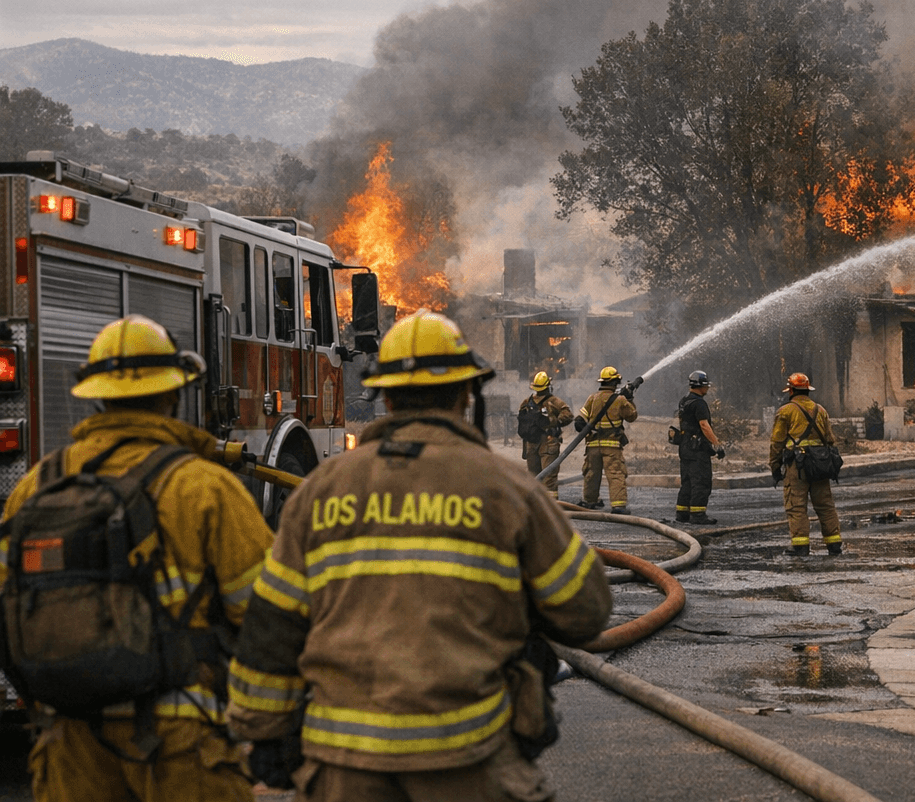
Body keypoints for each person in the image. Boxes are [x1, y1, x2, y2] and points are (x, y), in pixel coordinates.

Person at [225, 310, 612, 801]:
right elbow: (586, 610)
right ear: (464, 395)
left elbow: (271, 629)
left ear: (386, 396)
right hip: (469, 762)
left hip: (342, 769)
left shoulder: (320, 491)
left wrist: (263, 733)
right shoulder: (506, 488)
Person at [3, 315, 272, 802]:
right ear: (172, 394)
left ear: (98, 394)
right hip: (181, 745)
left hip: (68, 741)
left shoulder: (34, 487)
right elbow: (267, 619)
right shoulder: (204, 488)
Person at [768, 372, 842, 557]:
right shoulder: (821, 410)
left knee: (796, 505)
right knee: (825, 505)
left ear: (791, 390)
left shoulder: (785, 411)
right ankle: (834, 544)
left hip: (797, 467)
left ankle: (800, 546)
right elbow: (830, 441)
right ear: (807, 390)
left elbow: (777, 442)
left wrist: (775, 467)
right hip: (820, 466)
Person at [576, 366, 638, 514]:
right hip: (611, 446)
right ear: (615, 382)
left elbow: (579, 421)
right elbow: (632, 416)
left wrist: (590, 430)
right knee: (615, 474)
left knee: (591, 474)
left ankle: (589, 502)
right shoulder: (620, 400)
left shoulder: (592, 398)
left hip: (592, 445)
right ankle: (618, 506)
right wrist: (629, 398)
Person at [675, 370, 727, 525]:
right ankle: (698, 515)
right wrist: (717, 445)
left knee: (687, 481)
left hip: (684, 446)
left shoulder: (684, 400)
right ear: (701, 386)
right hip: (697, 449)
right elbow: (704, 425)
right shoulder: (699, 403)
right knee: (701, 481)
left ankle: (682, 513)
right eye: (706, 386)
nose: (708, 389)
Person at [518, 371, 573, 499]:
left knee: (533, 475)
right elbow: (568, 416)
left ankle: (534, 503)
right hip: (548, 443)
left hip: (530, 443)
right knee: (549, 475)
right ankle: (552, 503)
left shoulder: (526, 402)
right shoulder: (554, 401)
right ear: (548, 386)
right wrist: (554, 422)